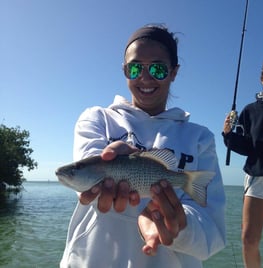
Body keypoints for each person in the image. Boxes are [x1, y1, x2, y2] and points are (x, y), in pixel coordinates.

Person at [60, 24, 226, 268]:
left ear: (173, 72)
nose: (145, 77)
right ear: (125, 70)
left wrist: (177, 225)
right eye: (135, 67)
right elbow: (86, 182)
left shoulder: (200, 138)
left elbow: (213, 233)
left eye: (158, 69)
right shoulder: (97, 118)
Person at [222, 60, 263, 268]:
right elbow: (245, 146)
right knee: (249, 240)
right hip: (258, 179)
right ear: (262, 79)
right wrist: (228, 134)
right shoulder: (250, 111)